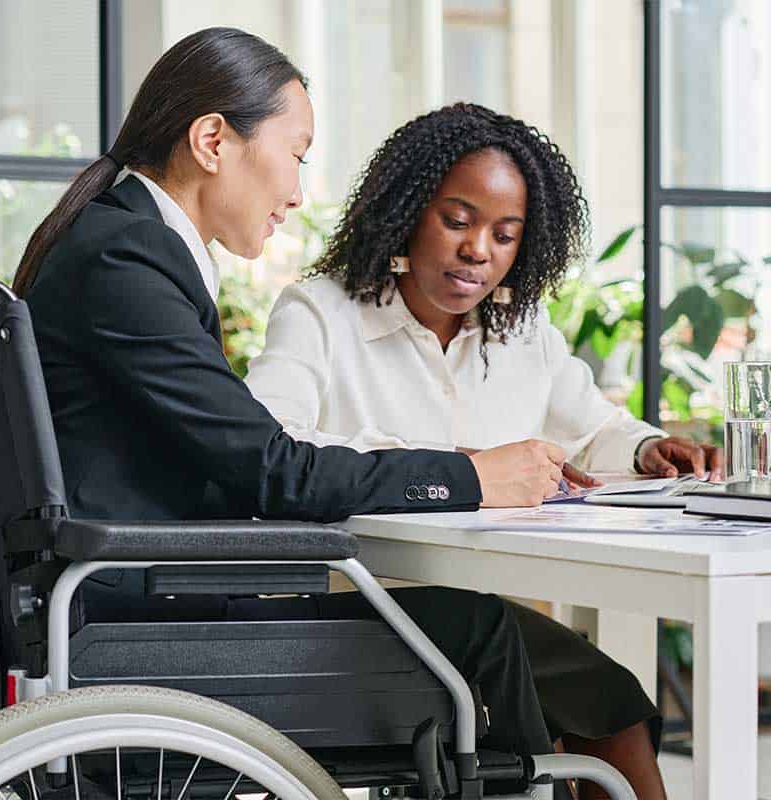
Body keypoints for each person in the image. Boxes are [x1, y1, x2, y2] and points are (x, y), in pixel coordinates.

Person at [14, 27, 586, 799]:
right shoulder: (129, 260)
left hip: (117, 607)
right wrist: (468, 476)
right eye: (296, 154)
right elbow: (272, 472)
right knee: (477, 629)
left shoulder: (119, 240)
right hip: (135, 632)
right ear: (213, 140)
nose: (297, 191)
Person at [246, 104, 725, 798]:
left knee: (612, 701)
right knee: (518, 688)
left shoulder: (520, 329)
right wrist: (454, 468)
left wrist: (650, 448)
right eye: (458, 221)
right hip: (360, 609)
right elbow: (272, 438)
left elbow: (590, 428)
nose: (479, 251)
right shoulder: (323, 311)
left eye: (505, 235)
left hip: (476, 612)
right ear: (409, 210)